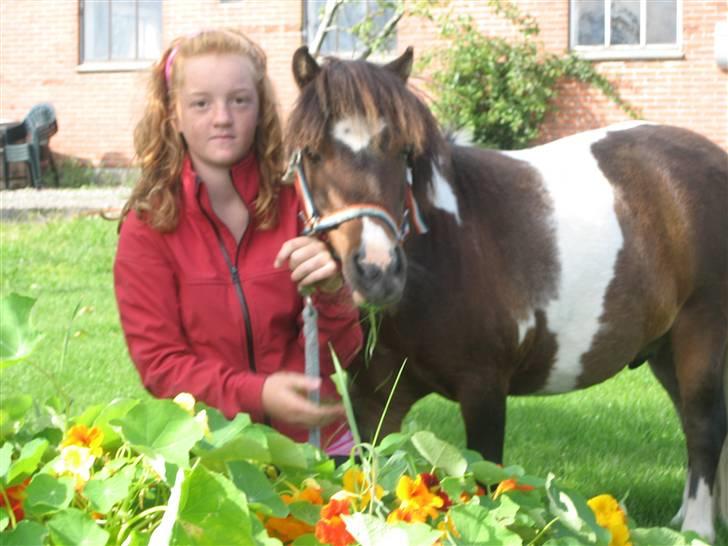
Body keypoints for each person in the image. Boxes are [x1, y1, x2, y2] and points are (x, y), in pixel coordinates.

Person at [113, 28, 362, 455]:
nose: (223, 117)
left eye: (239, 100)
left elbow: (345, 349)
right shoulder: (148, 229)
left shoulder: (300, 206)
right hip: (210, 451)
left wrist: (333, 293)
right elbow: (160, 365)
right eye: (201, 103)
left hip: (317, 445)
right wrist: (258, 393)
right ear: (173, 114)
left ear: (261, 108)